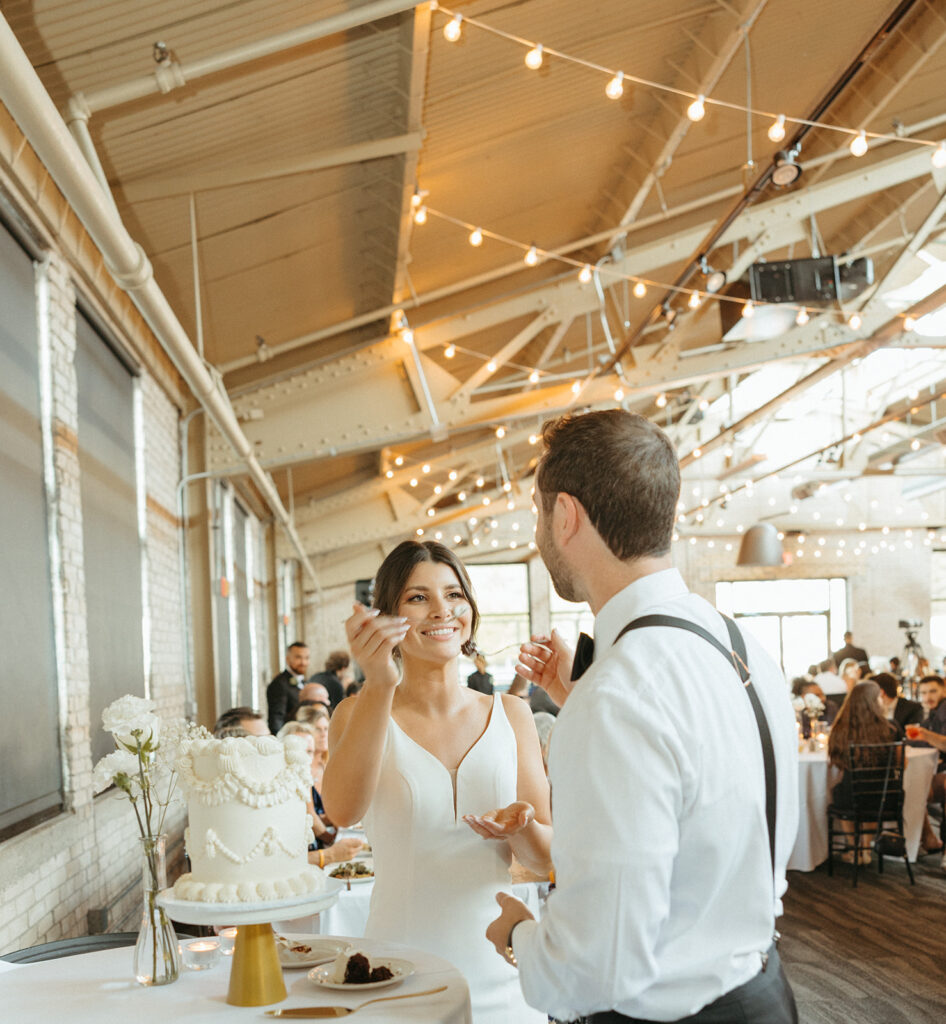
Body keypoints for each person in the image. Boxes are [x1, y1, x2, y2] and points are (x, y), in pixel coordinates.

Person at [486, 409, 799, 1024]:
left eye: (537, 512)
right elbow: (698, 786)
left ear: (565, 515)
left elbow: (594, 970)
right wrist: (583, 702)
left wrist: (520, 936)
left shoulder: (617, 695)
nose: (538, 532)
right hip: (764, 990)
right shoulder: (740, 643)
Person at [322, 540, 551, 1024]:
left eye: (454, 594)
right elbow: (341, 812)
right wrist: (379, 683)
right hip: (396, 973)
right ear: (388, 615)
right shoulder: (357, 711)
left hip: (502, 967)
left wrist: (518, 828)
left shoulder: (512, 715)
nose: (442, 610)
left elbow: (544, 857)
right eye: (417, 597)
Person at [827, 680, 902, 863]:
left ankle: (854, 849)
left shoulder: (840, 730)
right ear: (874, 702)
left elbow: (837, 762)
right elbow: (902, 764)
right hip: (886, 797)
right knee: (872, 794)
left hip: (852, 796)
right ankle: (866, 848)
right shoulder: (891, 729)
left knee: (841, 791)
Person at [278, 720, 363, 867]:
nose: (305, 758)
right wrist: (331, 849)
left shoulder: (302, 782)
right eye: (298, 751)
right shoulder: (274, 792)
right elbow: (277, 863)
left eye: (310, 752)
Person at [266, 641, 310, 734]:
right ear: (287, 659)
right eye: (298, 657)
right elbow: (276, 718)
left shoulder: (304, 681)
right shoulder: (279, 684)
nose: (303, 662)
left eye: (306, 658)